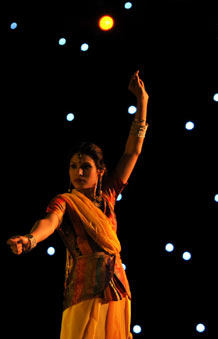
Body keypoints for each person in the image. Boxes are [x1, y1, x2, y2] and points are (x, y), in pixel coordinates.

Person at [7, 70, 149, 339]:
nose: (78, 172)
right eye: (73, 166)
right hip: (83, 289)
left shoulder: (108, 196)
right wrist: (30, 239)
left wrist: (143, 103)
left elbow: (132, 151)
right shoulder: (65, 202)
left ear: (101, 171)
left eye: (85, 167)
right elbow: (49, 223)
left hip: (117, 287)